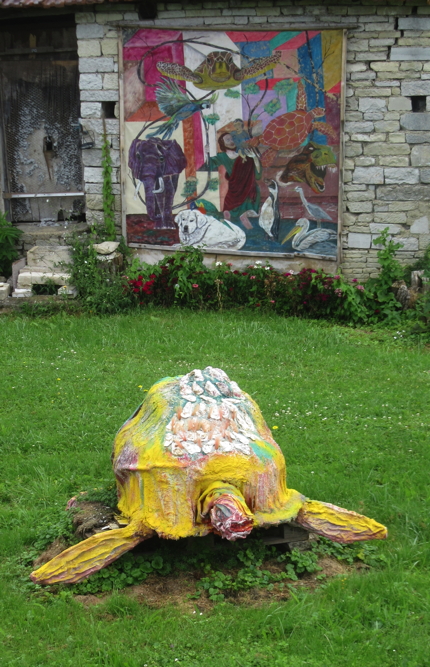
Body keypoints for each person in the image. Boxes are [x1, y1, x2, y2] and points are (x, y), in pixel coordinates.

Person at [208, 132, 261, 227]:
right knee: (227, 212)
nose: (231, 141)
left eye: (232, 139)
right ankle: (228, 230)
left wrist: (255, 158)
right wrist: (207, 153)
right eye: (227, 140)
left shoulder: (245, 155)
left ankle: (250, 231)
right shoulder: (222, 156)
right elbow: (209, 164)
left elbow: (258, 175)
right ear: (222, 143)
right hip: (234, 189)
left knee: (244, 215)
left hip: (247, 189)